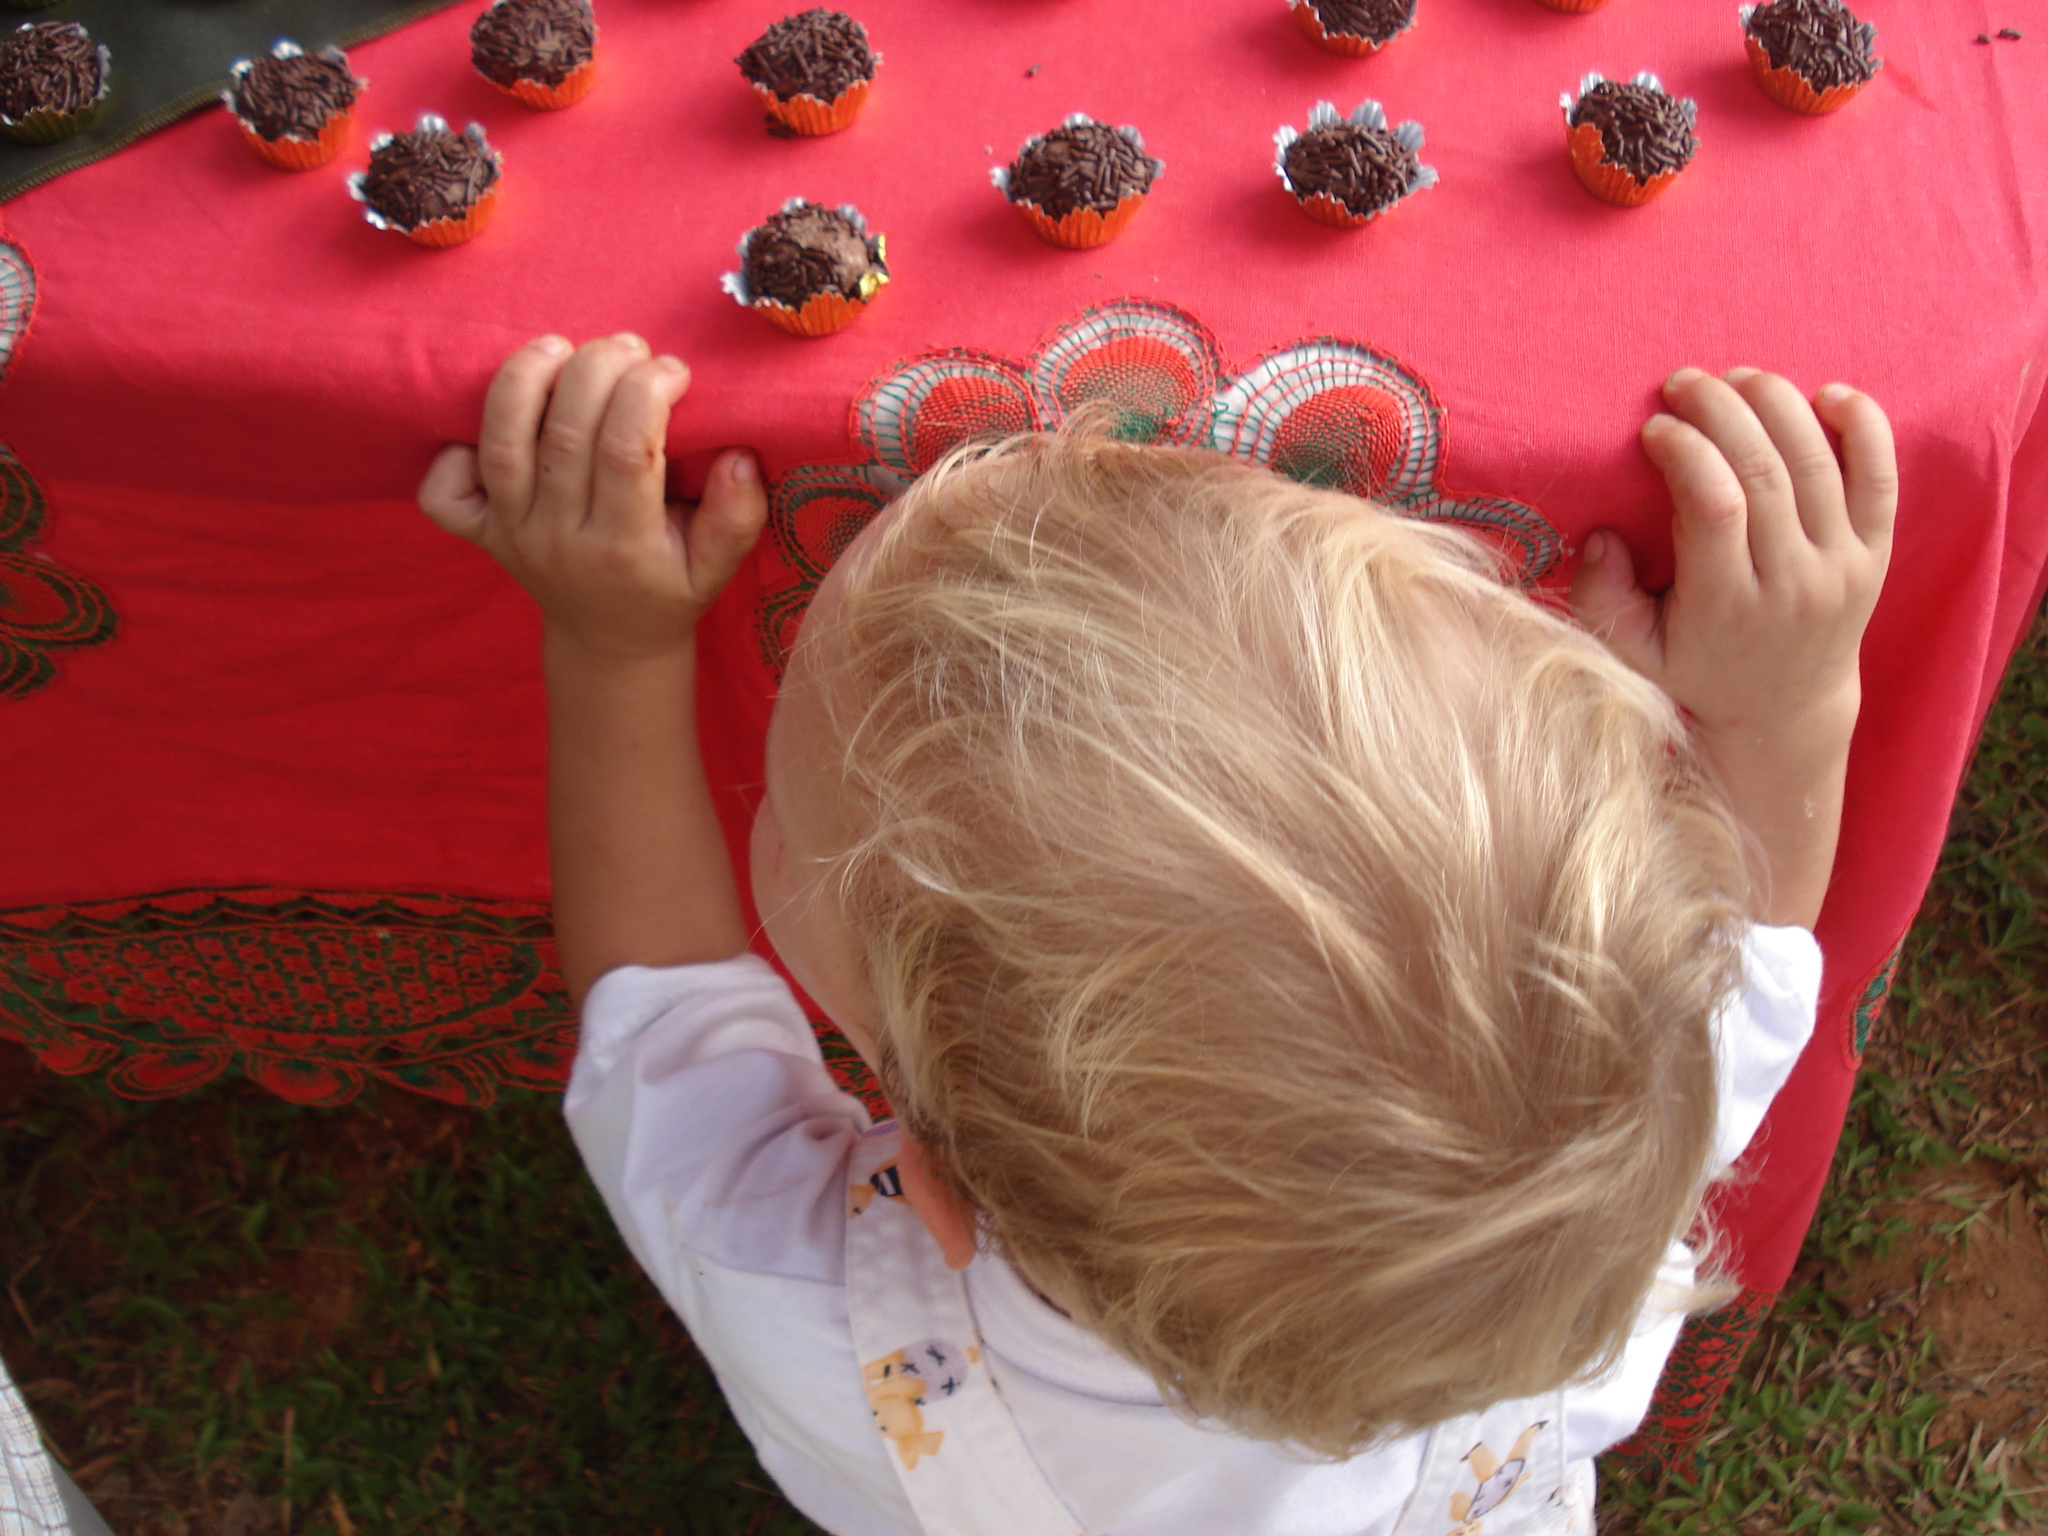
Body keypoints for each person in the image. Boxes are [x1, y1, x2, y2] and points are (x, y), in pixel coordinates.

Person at [417, 333, 1895, 1536]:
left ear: (920, 1184)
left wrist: (613, 647)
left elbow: (663, 1014)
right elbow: (1758, 933)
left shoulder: (824, 1331)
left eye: (795, 817)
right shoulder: (1601, 1136)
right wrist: (1790, 696)